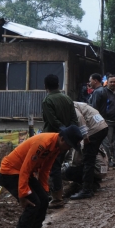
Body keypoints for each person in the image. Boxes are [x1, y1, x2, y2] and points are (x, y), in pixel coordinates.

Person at [0, 126, 83, 228]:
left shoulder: (56, 148)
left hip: (24, 173)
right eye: (69, 145)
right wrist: (22, 194)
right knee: (32, 203)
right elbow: (25, 168)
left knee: (43, 199)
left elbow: (45, 170)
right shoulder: (42, 143)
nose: (68, 149)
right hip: (10, 173)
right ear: (61, 139)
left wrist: (44, 190)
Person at [41, 74, 79, 209]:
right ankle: (57, 193)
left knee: (54, 167)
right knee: (58, 165)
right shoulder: (67, 99)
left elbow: (52, 121)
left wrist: (62, 132)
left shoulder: (47, 101)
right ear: (58, 84)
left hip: (53, 139)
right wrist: (69, 134)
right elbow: (75, 120)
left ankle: (57, 198)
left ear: (45, 86)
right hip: (67, 139)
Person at [70, 102, 109, 200]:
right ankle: (91, 183)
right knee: (90, 158)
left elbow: (79, 118)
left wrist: (85, 135)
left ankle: (87, 189)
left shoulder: (71, 106)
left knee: (88, 160)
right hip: (102, 126)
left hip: (94, 130)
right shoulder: (80, 104)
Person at [89, 75, 115, 169]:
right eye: (111, 82)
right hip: (107, 122)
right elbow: (94, 107)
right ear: (107, 83)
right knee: (106, 144)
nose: (113, 84)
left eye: (114, 82)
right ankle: (107, 162)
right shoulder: (102, 92)